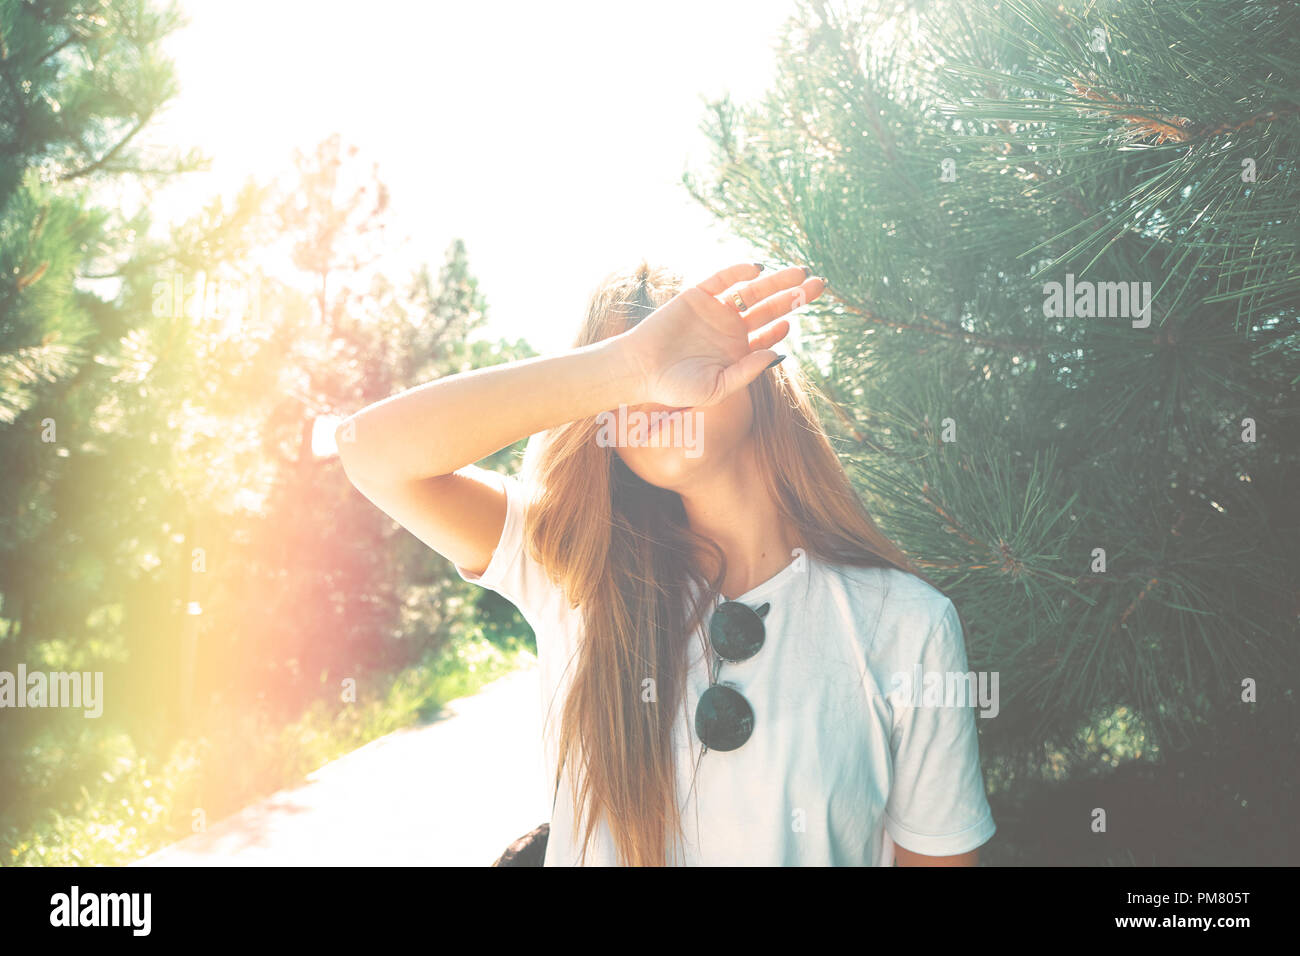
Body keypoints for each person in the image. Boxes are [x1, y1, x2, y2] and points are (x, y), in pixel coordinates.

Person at [335, 260, 997, 866]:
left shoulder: (907, 625)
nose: (651, 391)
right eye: (623, 380)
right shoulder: (575, 573)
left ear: (759, 363)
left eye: (676, 351)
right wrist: (627, 365)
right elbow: (369, 449)